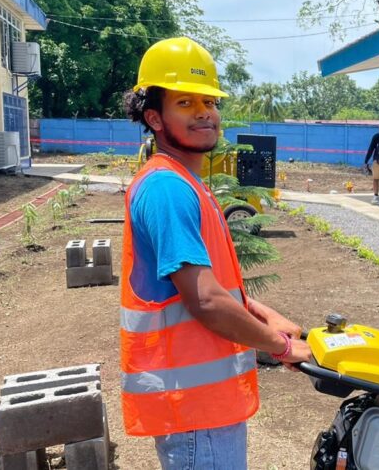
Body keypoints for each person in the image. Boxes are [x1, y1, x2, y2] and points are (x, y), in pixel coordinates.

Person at [120, 37, 312, 469]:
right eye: (185, 102)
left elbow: (210, 284)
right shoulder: (168, 188)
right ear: (154, 118)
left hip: (201, 405)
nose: (204, 111)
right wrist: (280, 348)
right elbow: (203, 300)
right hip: (191, 409)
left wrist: (263, 314)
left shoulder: (185, 183)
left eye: (208, 100)